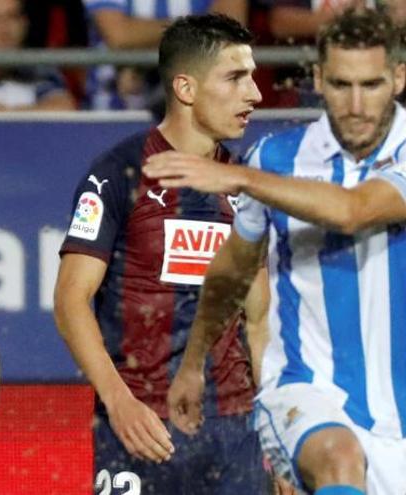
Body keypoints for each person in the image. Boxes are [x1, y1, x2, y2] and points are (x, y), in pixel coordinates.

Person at [149, 8, 406, 495]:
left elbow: (354, 210)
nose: (355, 104)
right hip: (308, 388)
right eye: (340, 84)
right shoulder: (277, 157)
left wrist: (242, 178)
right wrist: (193, 361)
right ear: (317, 79)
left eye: (370, 85)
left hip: (398, 406)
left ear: (398, 78)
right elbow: (232, 271)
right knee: (339, 458)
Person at [54, 14, 269, 493]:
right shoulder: (119, 173)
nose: (255, 94)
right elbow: (71, 300)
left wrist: (274, 433)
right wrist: (118, 400)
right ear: (186, 88)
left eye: (252, 76)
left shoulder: (245, 184)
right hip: (141, 430)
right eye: (236, 77)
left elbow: (258, 321)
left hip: (235, 435)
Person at [82, 0, 247, 110]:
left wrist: (143, 48)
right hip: (114, 113)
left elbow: (229, 25)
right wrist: (202, 27)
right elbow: (119, 34)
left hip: (203, 111)